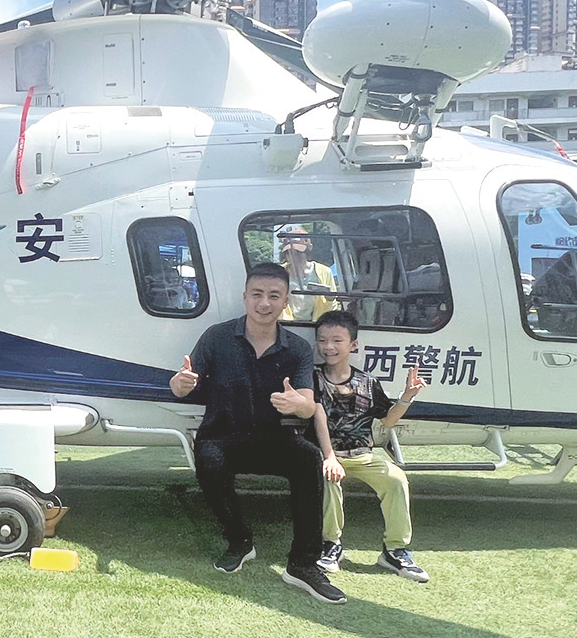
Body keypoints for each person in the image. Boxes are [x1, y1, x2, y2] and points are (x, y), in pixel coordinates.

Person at [170, 264, 342, 603]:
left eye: (274, 296)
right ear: (245, 297)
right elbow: (182, 385)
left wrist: (298, 404)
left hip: (273, 438)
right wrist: (180, 383)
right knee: (208, 461)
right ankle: (239, 540)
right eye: (257, 295)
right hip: (221, 435)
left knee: (309, 458)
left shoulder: (296, 348)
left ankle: (303, 564)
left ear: (285, 301)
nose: (265, 303)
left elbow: (309, 406)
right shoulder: (217, 337)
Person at [311, 311, 428, 583]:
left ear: (353, 345)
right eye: (322, 340)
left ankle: (395, 550)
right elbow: (318, 415)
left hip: (363, 455)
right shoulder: (312, 377)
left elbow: (387, 420)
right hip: (327, 454)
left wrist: (407, 397)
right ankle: (331, 544)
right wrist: (329, 457)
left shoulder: (367, 382)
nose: (328, 347)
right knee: (328, 478)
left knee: (396, 479)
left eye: (337, 340)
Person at [275, 225, 337, 324]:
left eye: (298, 252)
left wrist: (330, 298)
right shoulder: (278, 273)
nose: (294, 257)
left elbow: (333, 305)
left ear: (308, 250)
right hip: (286, 325)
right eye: (290, 252)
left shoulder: (324, 271)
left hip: (317, 325)